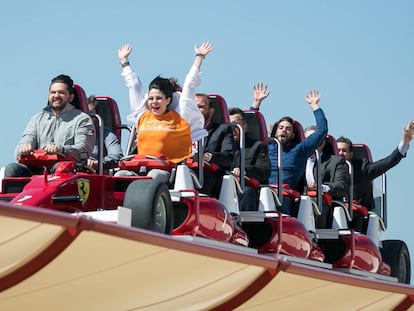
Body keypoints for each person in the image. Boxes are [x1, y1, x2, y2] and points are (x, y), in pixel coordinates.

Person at [117, 42, 212, 182]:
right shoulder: (142, 116)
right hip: (142, 167)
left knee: (153, 177)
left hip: (170, 170)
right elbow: (134, 85)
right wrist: (124, 61)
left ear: (168, 100)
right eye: (151, 98)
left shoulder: (181, 117)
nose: (154, 102)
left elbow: (189, 84)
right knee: (119, 177)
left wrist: (199, 57)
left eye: (159, 99)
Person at [253, 88, 328, 215]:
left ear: (293, 134)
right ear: (275, 131)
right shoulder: (266, 146)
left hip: (285, 196)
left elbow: (322, 131)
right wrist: (256, 103)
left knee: (281, 202)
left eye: (288, 129)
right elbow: (250, 129)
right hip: (261, 190)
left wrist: (315, 106)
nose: (283, 130)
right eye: (281, 128)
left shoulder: (300, 149)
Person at [5, 74, 96, 177]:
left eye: (61, 93)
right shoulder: (37, 119)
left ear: (71, 97)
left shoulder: (82, 119)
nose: (56, 96)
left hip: (67, 170)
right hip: (37, 169)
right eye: (53, 92)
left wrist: (61, 150)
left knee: (61, 168)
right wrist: (24, 147)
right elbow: (22, 144)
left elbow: (84, 150)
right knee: (12, 169)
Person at [336, 120, 414, 211]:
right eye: (338, 150)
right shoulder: (328, 167)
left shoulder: (363, 168)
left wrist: (405, 142)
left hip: (359, 216)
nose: (341, 153)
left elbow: (388, 162)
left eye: (344, 151)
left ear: (351, 154)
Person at [304, 126, 350, 228]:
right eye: (308, 139)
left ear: (323, 142)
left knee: (312, 202)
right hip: (300, 198)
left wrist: (320, 187)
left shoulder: (336, 162)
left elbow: (342, 187)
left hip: (323, 203)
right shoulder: (297, 160)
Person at [229, 107, 270, 211]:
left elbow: (264, 170)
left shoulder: (257, 146)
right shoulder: (221, 146)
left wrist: (245, 170)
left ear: (245, 126)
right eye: (229, 125)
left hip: (244, 187)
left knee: (246, 192)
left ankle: (243, 225)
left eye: (235, 125)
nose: (232, 128)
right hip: (223, 186)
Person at [195, 93, 234, 197]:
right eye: (193, 107)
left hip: (209, 175)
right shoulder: (180, 129)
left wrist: (208, 157)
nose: (195, 110)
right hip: (185, 170)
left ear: (211, 112)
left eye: (200, 107)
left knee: (205, 178)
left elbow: (228, 157)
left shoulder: (223, 130)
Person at [86, 95, 123, 171]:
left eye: (91, 114)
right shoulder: (71, 132)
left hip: (95, 173)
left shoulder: (106, 134)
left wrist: (98, 163)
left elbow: (116, 155)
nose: (89, 118)